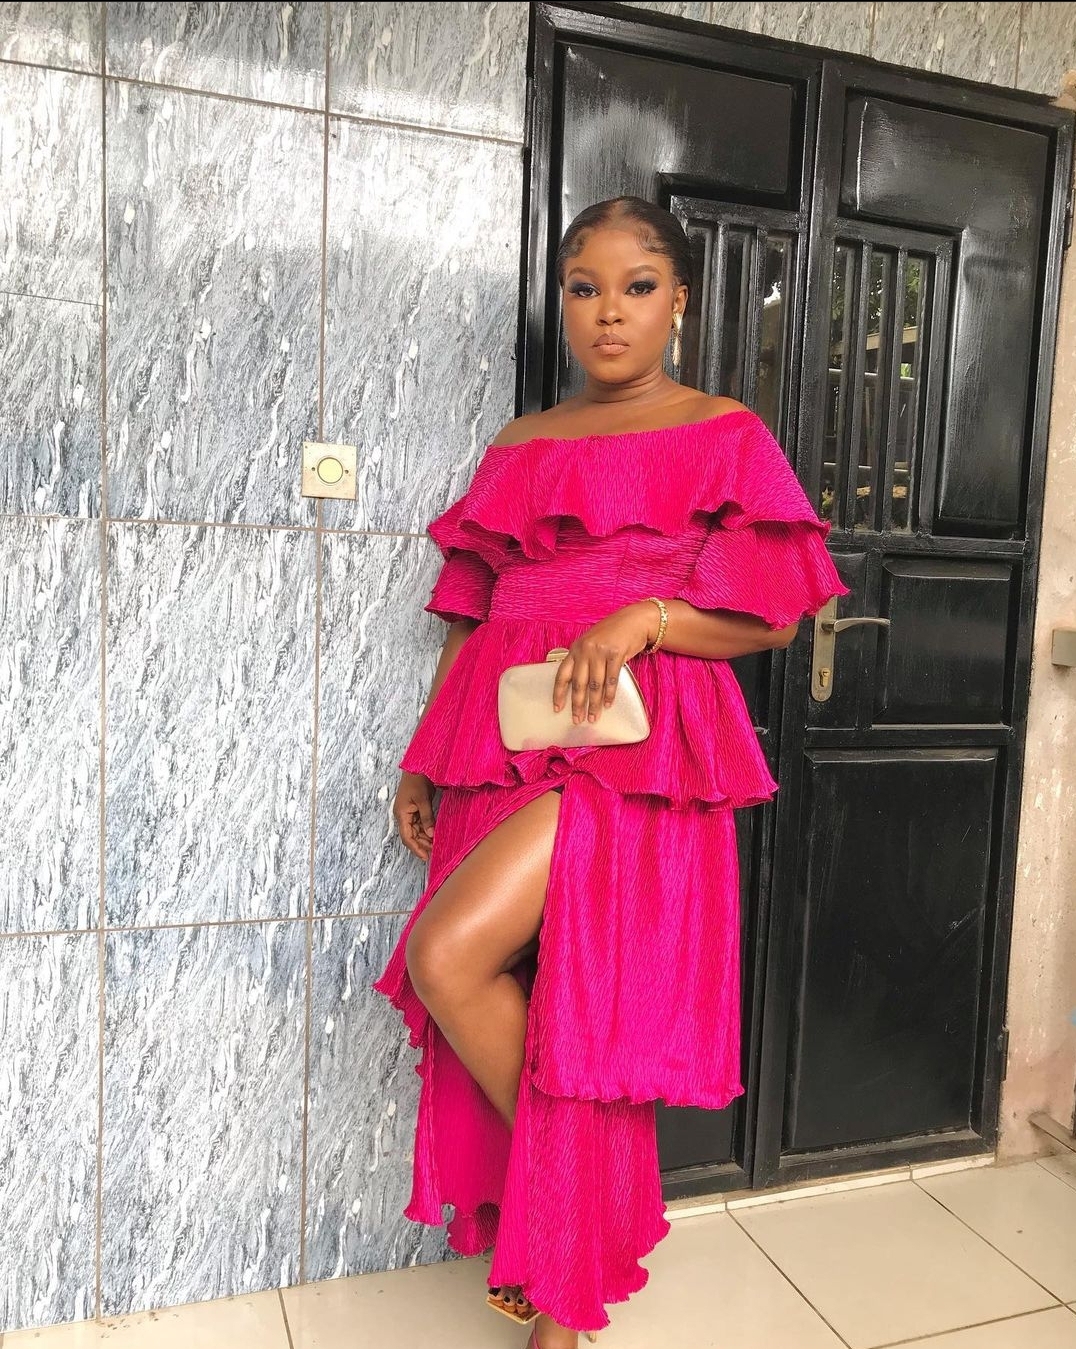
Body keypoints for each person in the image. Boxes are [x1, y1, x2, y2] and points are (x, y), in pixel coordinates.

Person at [372, 196, 851, 1349]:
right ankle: (567, 1250)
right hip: (502, 726)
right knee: (520, 993)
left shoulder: (723, 431)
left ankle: (564, 1264)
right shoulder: (521, 443)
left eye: (635, 286)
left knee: (462, 960)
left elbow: (773, 619)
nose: (607, 311)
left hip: (640, 743)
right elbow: (472, 609)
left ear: (677, 299)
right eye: (583, 288)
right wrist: (426, 752)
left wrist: (644, 616)